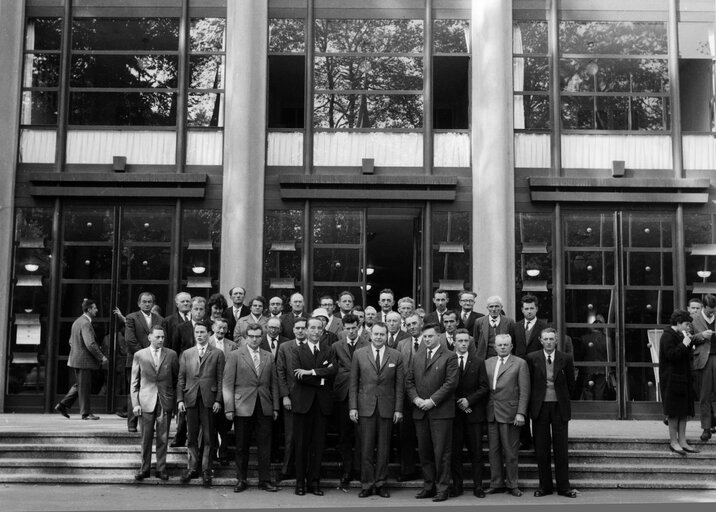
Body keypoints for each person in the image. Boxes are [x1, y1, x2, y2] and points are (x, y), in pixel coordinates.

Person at [349, 321, 404, 498]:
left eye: (382, 334)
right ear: (370, 335)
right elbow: (353, 383)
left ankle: (380, 483)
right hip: (365, 407)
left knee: (384, 448)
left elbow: (399, 385)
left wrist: (398, 409)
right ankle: (367, 484)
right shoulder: (359, 354)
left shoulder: (396, 355)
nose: (379, 337)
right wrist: (353, 407)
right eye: (376, 334)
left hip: (387, 408)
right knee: (365, 448)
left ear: (386, 335)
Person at [223, 323, 280, 493]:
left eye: (257, 336)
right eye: (251, 336)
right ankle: (241, 479)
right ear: (246, 337)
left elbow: (274, 384)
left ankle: (265, 479)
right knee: (242, 445)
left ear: (262, 337)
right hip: (242, 406)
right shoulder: (235, 355)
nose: (254, 339)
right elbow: (227, 383)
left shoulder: (268, 356)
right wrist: (229, 408)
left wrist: (275, 407)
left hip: (264, 405)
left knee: (265, 445)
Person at [405, 322, 459, 502]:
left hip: (441, 412)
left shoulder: (450, 356)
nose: (427, 339)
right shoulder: (417, 356)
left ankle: (442, 489)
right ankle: (428, 486)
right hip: (420, 411)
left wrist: (432, 401)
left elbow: (450, 383)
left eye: (430, 336)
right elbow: (409, 381)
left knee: (442, 452)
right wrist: (417, 399)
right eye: (425, 336)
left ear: (439, 336)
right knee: (425, 451)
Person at [526, 328, 578, 498]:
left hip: (559, 407)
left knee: (561, 449)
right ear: (540, 340)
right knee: (541, 449)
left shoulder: (566, 358)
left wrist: (562, 399)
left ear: (556, 340)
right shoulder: (532, 358)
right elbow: (529, 384)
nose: (548, 342)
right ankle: (545, 487)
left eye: (551, 339)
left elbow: (571, 383)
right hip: (540, 408)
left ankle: (564, 487)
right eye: (545, 339)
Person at [290, 316, 337, 496]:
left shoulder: (328, 349)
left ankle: (314, 483)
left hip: (322, 405)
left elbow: (334, 371)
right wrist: (321, 379)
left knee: (318, 445)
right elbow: (297, 376)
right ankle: (300, 483)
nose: (316, 331)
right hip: (303, 404)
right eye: (313, 328)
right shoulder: (297, 350)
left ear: (323, 331)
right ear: (307, 330)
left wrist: (311, 372)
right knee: (301, 445)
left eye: (319, 328)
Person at [177, 323, 225, 487]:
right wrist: (180, 400)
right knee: (191, 436)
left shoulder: (217, 353)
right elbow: (181, 378)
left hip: (209, 399)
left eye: (202, 332)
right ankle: (192, 468)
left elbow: (220, 379)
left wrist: (218, 399)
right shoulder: (187, 353)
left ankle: (206, 470)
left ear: (208, 333)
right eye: (197, 332)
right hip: (190, 397)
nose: (199, 335)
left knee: (208, 437)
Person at [130, 325, 179, 481]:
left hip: (164, 401)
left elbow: (177, 379)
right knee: (146, 438)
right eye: (157, 337)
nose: (161, 340)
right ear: (149, 337)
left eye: (163, 337)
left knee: (163, 438)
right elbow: (134, 382)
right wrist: (135, 403)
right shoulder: (139, 355)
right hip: (145, 401)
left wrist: (177, 401)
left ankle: (161, 469)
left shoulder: (171, 355)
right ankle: (144, 469)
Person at [485, 334, 529, 497]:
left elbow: (524, 391)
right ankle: (496, 483)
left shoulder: (519, 363)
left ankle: (512, 484)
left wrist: (521, 412)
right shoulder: (487, 363)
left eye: (506, 345)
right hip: (491, 413)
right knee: (493, 451)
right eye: (499, 345)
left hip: (511, 413)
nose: (502, 347)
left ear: (511, 346)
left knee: (510, 452)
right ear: (495, 347)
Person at [450, 328, 489, 498]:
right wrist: (459, 402)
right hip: (454, 414)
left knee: (477, 452)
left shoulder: (479, 362)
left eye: (466, 341)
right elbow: (446, 386)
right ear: (454, 342)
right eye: (460, 341)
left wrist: (468, 401)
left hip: (474, 413)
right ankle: (457, 486)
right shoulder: (448, 360)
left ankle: (478, 486)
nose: (463, 344)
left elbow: (484, 387)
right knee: (455, 452)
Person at [330, 313, 368, 488]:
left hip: (363, 394)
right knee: (344, 435)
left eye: (354, 328)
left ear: (359, 327)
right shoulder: (336, 345)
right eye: (348, 328)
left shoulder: (367, 344)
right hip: (343, 394)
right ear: (343, 329)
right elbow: (332, 368)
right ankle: (347, 470)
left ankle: (360, 470)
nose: (351, 331)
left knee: (361, 435)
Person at [55, 299, 107, 420]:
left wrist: (77, 352)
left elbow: (70, 341)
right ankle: (86, 413)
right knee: (84, 387)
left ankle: (62, 405)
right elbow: (90, 344)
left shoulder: (78, 321)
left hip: (77, 360)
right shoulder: (85, 323)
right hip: (84, 361)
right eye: (95, 308)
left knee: (80, 385)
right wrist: (101, 356)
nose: (97, 310)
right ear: (88, 309)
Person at [171, 295, 208, 448]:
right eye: (195, 309)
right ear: (190, 310)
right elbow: (174, 350)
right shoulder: (181, 327)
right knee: (184, 406)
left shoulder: (209, 327)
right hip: (186, 371)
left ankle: (199, 440)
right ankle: (180, 435)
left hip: (204, 373)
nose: (198, 312)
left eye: (201, 309)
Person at [661, 310, 698, 454]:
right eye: (686, 324)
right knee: (673, 412)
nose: (687, 326)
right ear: (678, 323)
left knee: (683, 412)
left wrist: (688, 344)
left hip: (682, 378)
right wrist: (684, 344)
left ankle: (683, 441)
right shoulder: (667, 336)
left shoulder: (680, 335)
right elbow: (671, 355)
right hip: (671, 379)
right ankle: (674, 442)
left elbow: (684, 355)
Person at [125, 292, 163, 433]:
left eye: (150, 301)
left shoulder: (159, 319)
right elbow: (130, 340)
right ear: (139, 303)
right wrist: (146, 354)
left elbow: (161, 339)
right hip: (136, 360)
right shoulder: (131, 318)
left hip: (155, 362)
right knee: (134, 390)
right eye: (144, 301)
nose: (147, 304)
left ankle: (149, 424)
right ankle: (132, 423)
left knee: (151, 391)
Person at [276, 317, 308, 481]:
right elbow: (280, 373)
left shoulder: (312, 346)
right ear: (293, 330)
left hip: (309, 398)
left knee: (307, 436)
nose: (301, 330)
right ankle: (286, 469)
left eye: (303, 328)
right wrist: (285, 396)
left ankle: (305, 471)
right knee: (290, 436)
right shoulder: (285, 347)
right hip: (291, 397)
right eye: (298, 328)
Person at [208, 318, 238, 465]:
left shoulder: (232, 345)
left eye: (224, 328)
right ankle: (210, 453)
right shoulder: (206, 342)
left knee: (224, 424)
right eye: (219, 327)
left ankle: (223, 454)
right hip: (210, 388)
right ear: (213, 327)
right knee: (210, 424)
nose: (221, 331)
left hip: (226, 388)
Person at [691, 294, 716, 442]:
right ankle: (706, 429)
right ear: (703, 306)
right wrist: (701, 335)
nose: (711, 313)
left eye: (714, 310)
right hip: (704, 359)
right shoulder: (694, 319)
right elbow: (689, 338)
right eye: (709, 310)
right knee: (705, 395)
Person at [473, 295, 516, 361]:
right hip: (484, 358)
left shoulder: (509, 322)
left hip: (503, 357)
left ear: (501, 307)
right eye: (491, 306)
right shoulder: (479, 321)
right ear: (487, 308)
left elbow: (513, 340)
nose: (494, 309)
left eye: (496, 306)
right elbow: (476, 341)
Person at [161, 292, 192, 362]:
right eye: (182, 301)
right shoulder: (168, 321)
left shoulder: (197, 319)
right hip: (176, 359)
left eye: (187, 301)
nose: (185, 303)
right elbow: (166, 343)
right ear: (177, 304)